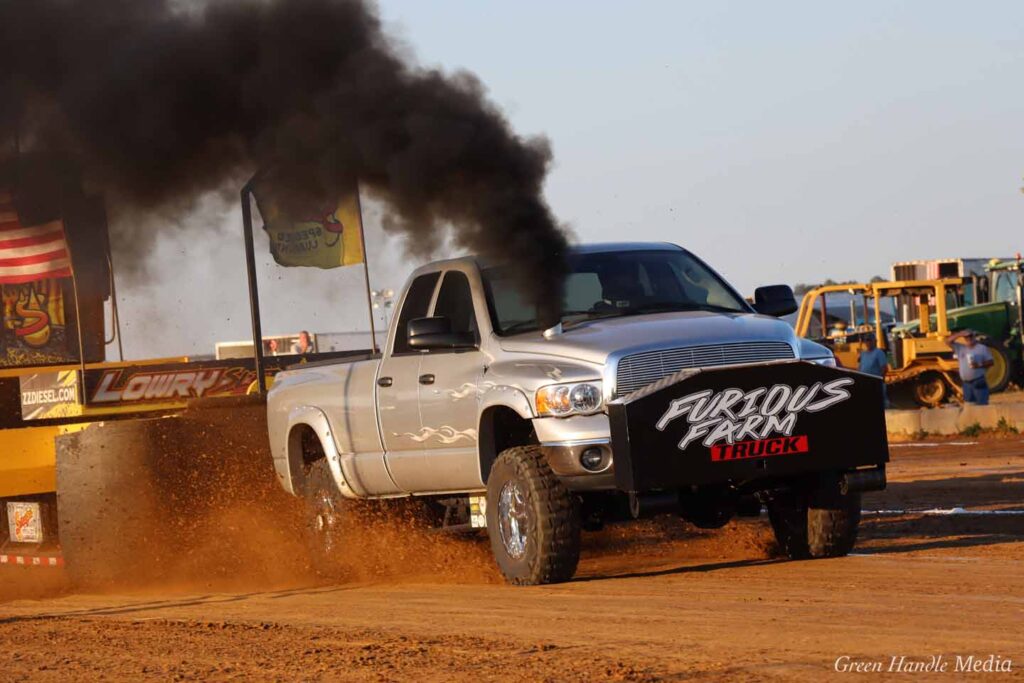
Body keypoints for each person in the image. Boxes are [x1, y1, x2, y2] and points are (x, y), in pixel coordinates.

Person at [947, 329, 993, 405]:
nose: (969, 338)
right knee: (970, 407)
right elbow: (947, 342)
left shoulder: (982, 348)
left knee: (982, 406)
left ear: (974, 336)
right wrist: (960, 334)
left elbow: (991, 362)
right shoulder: (960, 348)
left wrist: (979, 365)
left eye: (970, 336)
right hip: (966, 383)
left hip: (978, 381)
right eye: (966, 337)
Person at [857, 336, 890, 408]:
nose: (868, 342)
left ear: (874, 341)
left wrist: (879, 380)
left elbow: (884, 368)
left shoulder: (879, 352)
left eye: (870, 340)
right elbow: (860, 367)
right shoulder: (863, 354)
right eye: (866, 340)